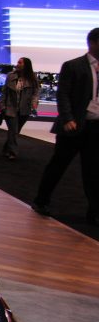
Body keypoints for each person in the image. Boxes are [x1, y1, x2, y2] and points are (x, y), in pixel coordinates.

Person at [32, 27, 99, 224]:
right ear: (93, 43)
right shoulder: (73, 65)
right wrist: (68, 117)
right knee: (58, 165)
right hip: (73, 125)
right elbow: (63, 94)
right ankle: (41, 200)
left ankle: (94, 211)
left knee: (94, 170)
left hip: (96, 127)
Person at [0, 57, 40, 160]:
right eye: (17, 62)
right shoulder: (10, 76)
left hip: (24, 110)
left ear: (26, 65)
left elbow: (36, 92)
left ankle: (5, 150)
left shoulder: (32, 78)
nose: (17, 64)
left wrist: (34, 103)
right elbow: (5, 92)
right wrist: (2, 105)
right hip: (10, 108)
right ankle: (13, 152)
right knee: (13, 130)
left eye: (20, 62)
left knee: (15, 131)